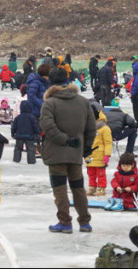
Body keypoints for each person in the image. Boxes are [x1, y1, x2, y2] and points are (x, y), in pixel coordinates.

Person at [40, 66, 96, 234]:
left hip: (56, 153)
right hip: (75, 152)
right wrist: (86, 148)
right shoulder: (83, 101)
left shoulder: (49, 103)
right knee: (78, 187)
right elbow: (91, 128)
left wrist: (64, 140)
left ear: (51, 81)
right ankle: (85, 222)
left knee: (60, 188)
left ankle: (65, 222)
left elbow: (48, 127)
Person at [86, 107, 112, 197]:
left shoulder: (105, 128)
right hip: (89, 155)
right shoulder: (87, 127)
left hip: (100, 155)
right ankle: (92, 187)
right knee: (90, 173)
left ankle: (101, 188)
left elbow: (108, 143)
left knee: (100, 174)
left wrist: (107, 155)